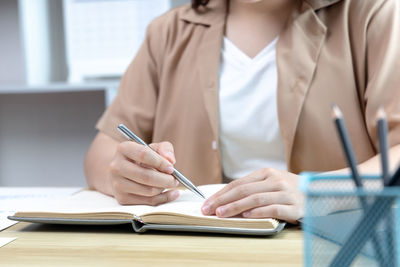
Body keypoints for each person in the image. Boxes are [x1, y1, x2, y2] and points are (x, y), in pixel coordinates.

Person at [84, 0, 400, 224]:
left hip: (331, 240)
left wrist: (317, 193)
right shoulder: (168, 31)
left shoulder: (375, 13)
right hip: (198, 242)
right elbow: (103, 151)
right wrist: (125, 177)